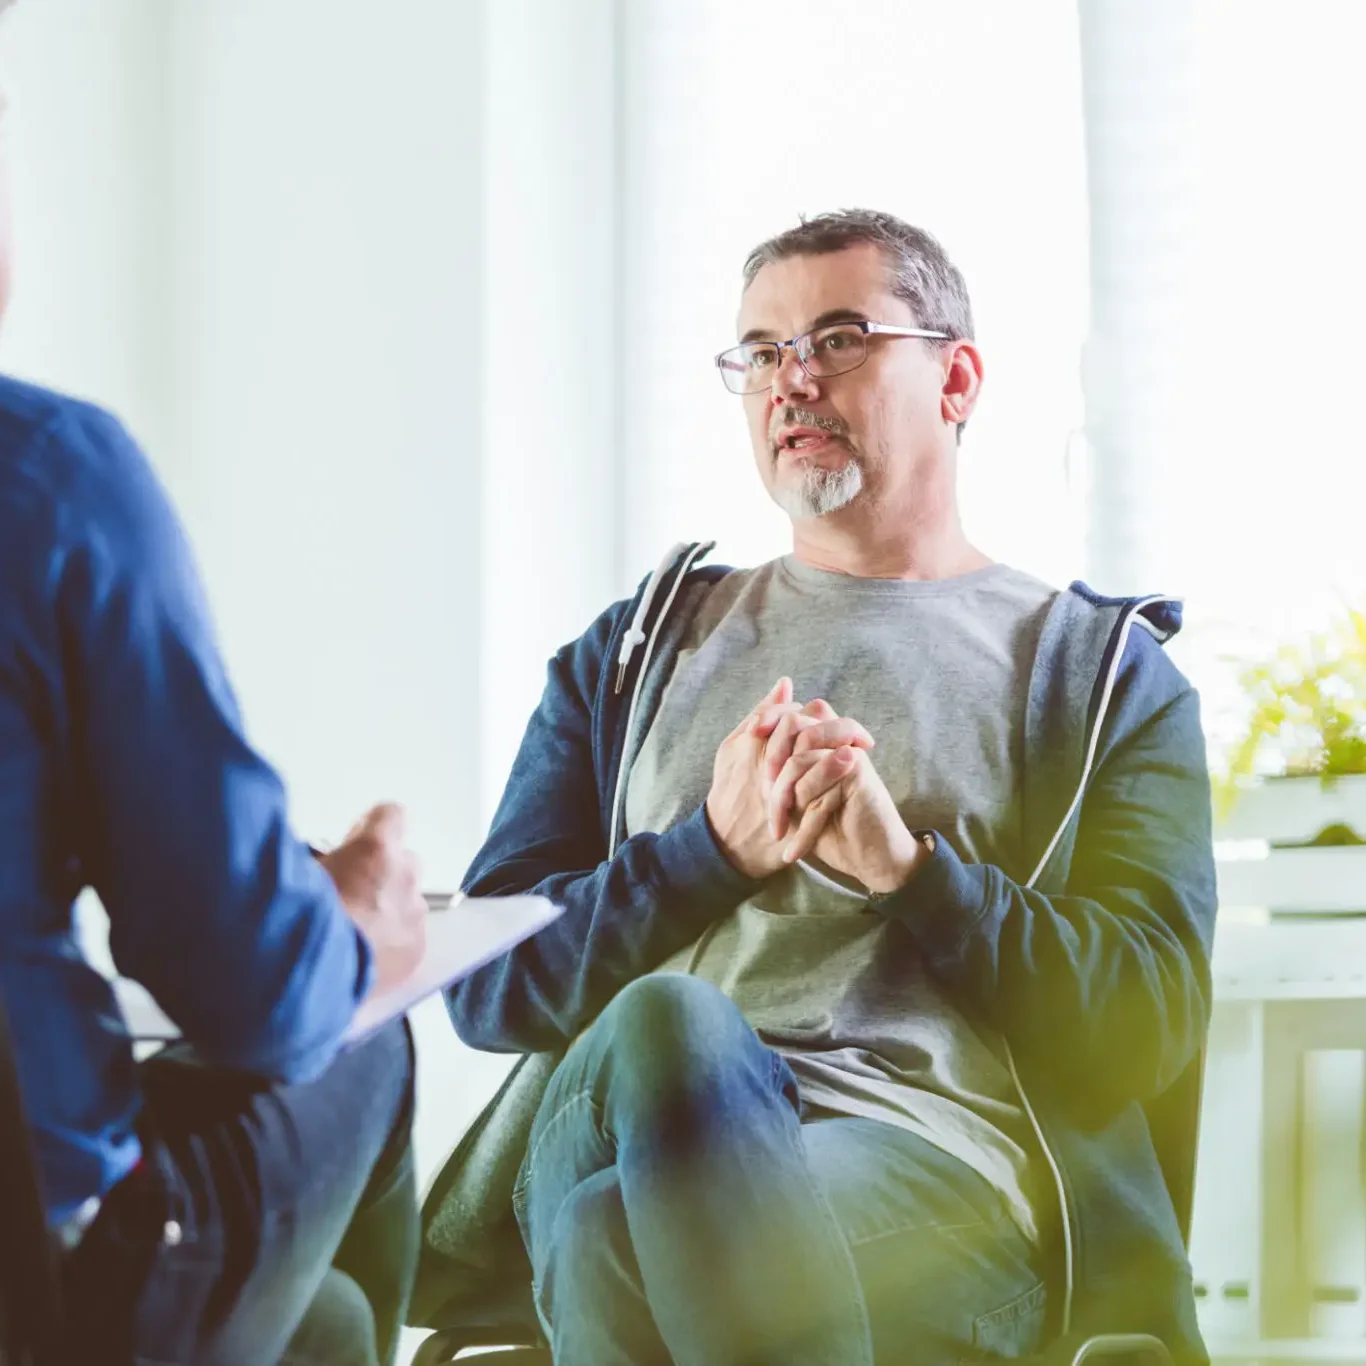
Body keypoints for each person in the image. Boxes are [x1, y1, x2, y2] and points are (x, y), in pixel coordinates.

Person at [445, 210, 1217, 1365]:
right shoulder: (635, 655)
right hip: (618, 1120)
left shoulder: (1097, 677)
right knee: (670, 1024)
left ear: (956, 376)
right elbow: (486, 982)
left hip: (932, 1184)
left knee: (616, 1238)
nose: (791, 380)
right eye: (760, 352)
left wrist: (908, 874)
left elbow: (1141, 1026)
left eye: (840, 338)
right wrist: (706, 852)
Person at [0, 14, 427, 1363]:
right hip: (52, 1276)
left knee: (330, 1329)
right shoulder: (51, 475)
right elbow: (253, 987)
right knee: (371, 1035)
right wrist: (356, 918)